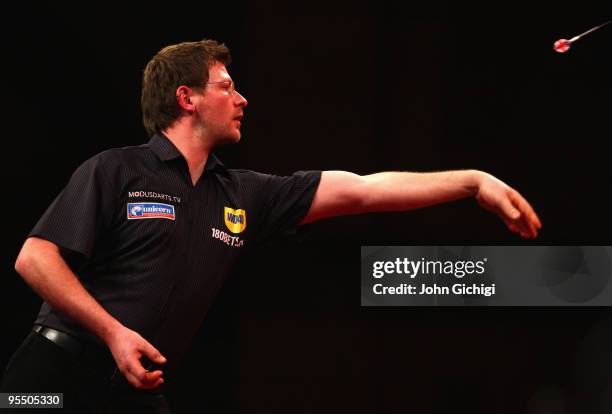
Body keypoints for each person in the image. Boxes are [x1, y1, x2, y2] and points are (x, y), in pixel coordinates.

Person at [1, 39, 541, 413]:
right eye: (226, 86)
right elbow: (34, 258)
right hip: (50, 379)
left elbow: (362, 188)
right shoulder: (115, 169)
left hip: (136, 391)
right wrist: (113, 333)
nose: (242, 98)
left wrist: (472, 181)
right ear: (186, 99)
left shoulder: (244, 194)